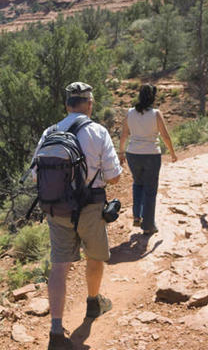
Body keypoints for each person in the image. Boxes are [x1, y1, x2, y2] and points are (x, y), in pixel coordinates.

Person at [33, 82, 122, 350]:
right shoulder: (97, 131)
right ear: (90, 104)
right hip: (90, 208)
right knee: (94, 257)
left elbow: (37, 174)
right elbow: (114, 176)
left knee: (59, 265)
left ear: (66, 105)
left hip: (57, 209)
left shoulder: (50, 132)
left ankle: (56, 330)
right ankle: (93, 303)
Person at [118, 84, 177, 235]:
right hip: (151, 154)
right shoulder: (156, 114)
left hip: (133, 154)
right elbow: (165, 135)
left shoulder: (130, 113)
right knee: (150, 190)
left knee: (138, 184)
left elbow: (124, 134)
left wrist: (121, 152)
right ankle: (148, 225)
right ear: (152, 97)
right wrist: (172, 153)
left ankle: (137, 214)